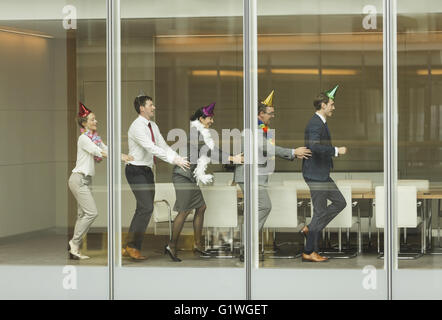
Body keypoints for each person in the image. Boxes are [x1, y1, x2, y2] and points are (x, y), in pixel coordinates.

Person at [234, 90, 312, 260]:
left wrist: (291, 154)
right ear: (260, 114)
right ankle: (247, 248)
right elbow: (266, 148)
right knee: (264, 206)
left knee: (254, 211)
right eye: (270, 113)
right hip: (250, 176)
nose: (273, 116)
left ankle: (246, 248)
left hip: (253, 176)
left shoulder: (261, 129)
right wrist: (293, 151)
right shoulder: (253, 129)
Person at [165, 102, 243, 262]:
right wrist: (232, 158)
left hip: (189, 177)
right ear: (201, 119)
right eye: (209, 118)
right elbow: (210, 151)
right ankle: (171, 245)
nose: (212, 121)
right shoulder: (197, 133)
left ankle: (198, 244)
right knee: (184, 211)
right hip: (182, 176)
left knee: (201, 207)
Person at [122, 95, 190, 261]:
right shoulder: (137, 127)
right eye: (150, 105)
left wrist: (178, 158)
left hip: (146, 171)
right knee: (146, 207)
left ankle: (130, 246)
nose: (154, 108)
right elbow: (151, 148)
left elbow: (163, 146)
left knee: (144, 208)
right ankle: (131, 246)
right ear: (142, 108)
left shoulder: (153, 125)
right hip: (135, 170)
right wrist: (173, 160)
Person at [68, 102, 133, 260]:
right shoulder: (84, 139)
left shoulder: (95, 138)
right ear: (84, 123)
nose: (96, 122)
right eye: (92, 120)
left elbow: (106, 148)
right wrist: (121, 157)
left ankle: (74, 248)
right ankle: (74, 242)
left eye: (95, 119)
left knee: (83, 214)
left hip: (86, 180)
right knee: (91, 213)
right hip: (78, 179)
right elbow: (98, 152)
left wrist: (123, 155)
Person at [301, 85, 347, 262]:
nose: (333, 107)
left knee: (340, 202)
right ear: (323, 105)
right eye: (331, 104)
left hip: (321, 174)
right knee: (320, 212)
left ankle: (309, 229)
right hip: (315, 174)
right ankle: (308, 251)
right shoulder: (315, 123)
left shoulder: (320, 122)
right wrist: (336, 150)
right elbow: (313, 146)